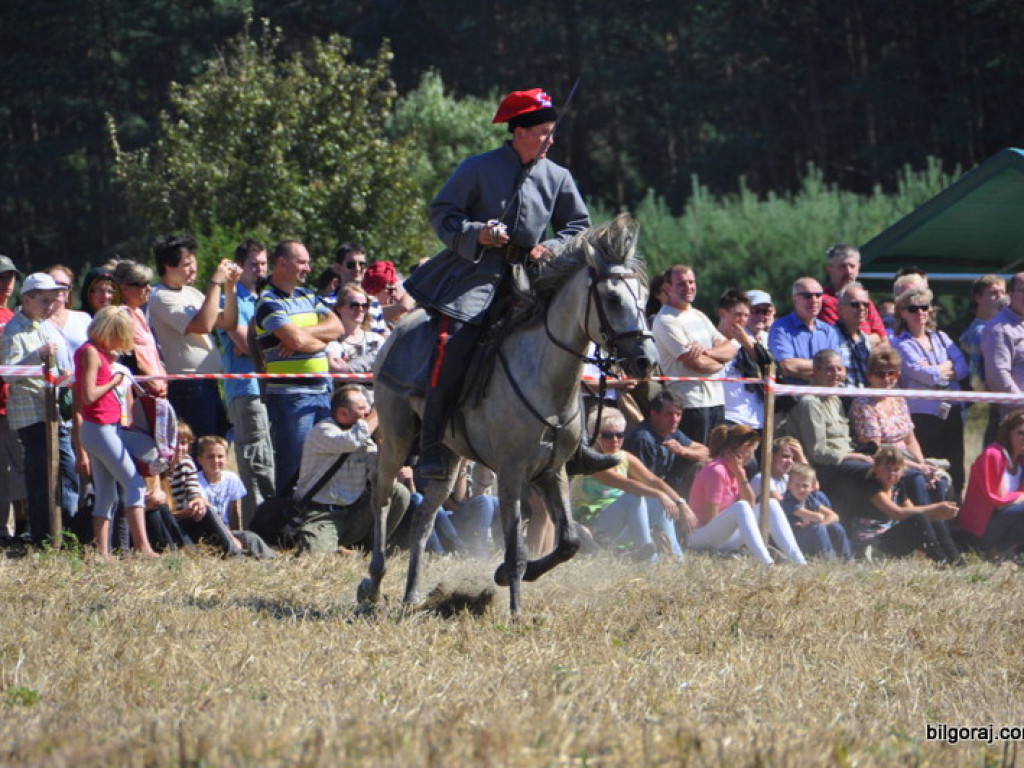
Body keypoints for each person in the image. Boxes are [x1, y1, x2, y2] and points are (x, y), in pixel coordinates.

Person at [404, 86, 595, 480]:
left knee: (569, 339)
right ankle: (431, 445)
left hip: (533, 276)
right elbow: (443, 213)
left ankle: (579, 445)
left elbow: (579, 226)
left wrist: (552, 247)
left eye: (551, 131)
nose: (550, 139)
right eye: (542, 131)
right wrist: (479, 233)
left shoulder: (558, 176)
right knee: (452, 342)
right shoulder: (477, 167)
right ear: (519, 131)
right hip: (475, 275)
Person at [254, 240, 342, 492]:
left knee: (324, 465)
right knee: (294, 469)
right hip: (290, 399)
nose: (309, 269)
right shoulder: (268, 302)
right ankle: (284, 528)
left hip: (322, 393)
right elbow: (297, 340)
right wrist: (316, 341)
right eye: (302, 262)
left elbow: (337, 327)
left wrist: (304, 336)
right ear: (282, 263)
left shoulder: (308, 296)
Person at [1, 272, 79, 547]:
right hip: (30, 413)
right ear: (27, 299)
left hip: (53, 409)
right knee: (38, 475)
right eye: (44, 300)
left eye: (53, 300)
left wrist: (65, 376)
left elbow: (56, 367)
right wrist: (37, 356)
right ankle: (44, 537)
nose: (49, 306)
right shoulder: (12, 331)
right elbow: (8, 374)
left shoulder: (45, 327)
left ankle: (69, 529)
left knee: (67, 470)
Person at [73, 306, 157, 559]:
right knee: (134, 484)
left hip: (102, 429)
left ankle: (103, 553)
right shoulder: (90, 353)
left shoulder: (94, 352)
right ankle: (143, 547)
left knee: (107, 494)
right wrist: (113, 382)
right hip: (99, 428)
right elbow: (87, 396)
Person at [295, 385, 411, 553]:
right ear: (343, 413)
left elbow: (382, 480)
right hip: (322, 515)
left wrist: (381, 442)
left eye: (369, 409)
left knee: (398, 492)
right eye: (363, 409)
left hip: (352, 514)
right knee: (316, 557)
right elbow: (350, 441)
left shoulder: (366, 441)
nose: (367, 414)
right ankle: (335, 547)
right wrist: (379, 410)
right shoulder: (323, 431)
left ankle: (372, 546)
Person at [149, 234, 239, 441]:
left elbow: (229, 322)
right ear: (168, 266)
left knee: (219, 441)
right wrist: (215, 283)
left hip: (208, 382)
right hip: (188, 385)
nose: (193, 268)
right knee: (201, 446)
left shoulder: (192, 293)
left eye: (193, 262)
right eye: (186, 264)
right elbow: (202, 325)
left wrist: (230, 287)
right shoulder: (161, 296)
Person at [572, 408, 694, 561]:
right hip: (594, 529)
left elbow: (653, 481)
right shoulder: (589, 461)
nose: (615, 440)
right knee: (636, 498)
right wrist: (660, 494)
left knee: (658, 501)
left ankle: (675, 558)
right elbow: (626, 484)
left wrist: (680, 502)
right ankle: (648, 556)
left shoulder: (624, 457)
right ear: (594, 436)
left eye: (619, 435)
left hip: (622, 527)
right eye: (608, 436)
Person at [686, 424, 807, 565]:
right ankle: (766, 562)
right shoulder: (717, 471)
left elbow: (751, 506)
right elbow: (709, 519)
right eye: (753, 450)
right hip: (701, 537)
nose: (753, 456)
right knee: (740, 506)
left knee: (770, 503)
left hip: (723, 536)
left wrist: (740, 475)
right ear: (744, 448)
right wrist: (733, 518)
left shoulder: (737, 470)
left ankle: (799, 561)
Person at [216, 239, 275, 522]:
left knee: (269, 457)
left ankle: (269, 522)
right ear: (240, 266)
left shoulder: (265, 298)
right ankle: (257, 526)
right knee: (254, 461)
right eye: (254, 264)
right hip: (247, 389)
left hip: (270, 388)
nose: (260, 270)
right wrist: (280, 344)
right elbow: (243, 343)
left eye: (263, 263)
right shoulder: (230, 300)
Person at [891, 287, 968, 495]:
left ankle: (955, 507)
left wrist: (939, 371)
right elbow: (922, 373)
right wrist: (944, 368)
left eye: (924, 307)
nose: (920, 313)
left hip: (951, 409)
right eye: (913, 309)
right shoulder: (899, 343)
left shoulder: (942, 337)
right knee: (930, 460)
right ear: (903, 313)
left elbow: (962, 367)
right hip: (923, 414)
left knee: (955, 461)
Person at [849, 345, 948, 506]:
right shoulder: (864, 404)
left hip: (908, 460)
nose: (887, 379)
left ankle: (941, 525)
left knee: (938, 480)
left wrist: (922, 464)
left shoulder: (899, 399)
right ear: (870, 376)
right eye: (880, 374)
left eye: (891, 373)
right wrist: (917, 467)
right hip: (886, 462)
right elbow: (876, 450)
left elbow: (910, 439)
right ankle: (924, 527)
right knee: (916, 478)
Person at [782, 349, 874, 519]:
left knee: (906, 473)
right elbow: (818, 452)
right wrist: (853, 456)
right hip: (827, 466)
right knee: (870, 472)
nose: (835, 374)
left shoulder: (835, 398)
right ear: (816, 372)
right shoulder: (810, 403)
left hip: (849, 458)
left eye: (839, 369)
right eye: (829, 369)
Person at [652, 265, 736, 443]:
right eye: (681, 284)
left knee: (716, 458)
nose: (689, 287)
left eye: (691, 282)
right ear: (668, 288)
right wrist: (721, 361)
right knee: (694, 463)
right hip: (690, 405)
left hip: (716, 401)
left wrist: (707, 351)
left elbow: (731, 349)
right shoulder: (666, 320)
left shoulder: (699, 315)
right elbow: (696, 364)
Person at [853, 447, 961, 564]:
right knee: (920, 518)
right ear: (876, 468)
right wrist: (937, 508)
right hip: (873, 543)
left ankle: (955, 560)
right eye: (887, 469)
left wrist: (939, 514)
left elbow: (911, 510)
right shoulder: (871, 486)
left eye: (896, 470)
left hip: (889, 536)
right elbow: (897, 513)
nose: (892, 474)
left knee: (932, 519)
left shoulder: (897, 486)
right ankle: (940, 560)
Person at [960, 410, 1024, 560]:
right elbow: (998, 501)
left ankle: (1008, 552)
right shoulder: (994, 455)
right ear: (1008, 434)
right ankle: (996, 552)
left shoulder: (1021, 460)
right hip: (981, 528)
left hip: (1007, 520)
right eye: (1020, 433)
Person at [623, 389, 710, 499]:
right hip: (647, 494)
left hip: (668, 488)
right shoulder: (643, 439)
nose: (674, 420)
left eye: (678, 414)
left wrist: (683, 451)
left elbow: (707, 453)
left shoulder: (671, 431)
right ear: (654, 413)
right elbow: (645, 480)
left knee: (701, 466)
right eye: (669, 414)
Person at [768, 277, 842, 387]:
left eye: (818, 295)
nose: (814, 300)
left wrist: (803, 371)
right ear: (794, 299)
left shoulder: (829, 331)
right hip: (794, 397)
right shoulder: (780, 328)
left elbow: (841, 370)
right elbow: (787, 366)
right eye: (807, 296)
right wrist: (826, 370)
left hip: (827, 394)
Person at [716, 288, 771, 429]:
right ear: (723, 313)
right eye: (738, 315)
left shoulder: (750, 342)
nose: (742, 321)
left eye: (746, 316)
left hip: (756, 419)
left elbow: (769, 364)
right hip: (728, 418)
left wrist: (746, 343)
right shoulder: (711, 339)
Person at [112, 260, 168, 397]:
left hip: (157, 387)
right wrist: (152, 384)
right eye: (142, 284)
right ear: (124, 288)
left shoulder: (138, 312)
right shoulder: (121, 314)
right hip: (141, 390)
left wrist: (163, 380)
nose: (149, 288)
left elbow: (152, 352)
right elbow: (133, 355)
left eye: (149, 283)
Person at [0, 255, 27, 540]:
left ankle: (24, 524)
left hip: (16, 403)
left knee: (21, 466)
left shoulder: (16, 317)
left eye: (11, 277)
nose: (7, 284)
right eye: (2, 278)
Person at [780, 463, 852, 560]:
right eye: (797, 485)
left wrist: (820, 523)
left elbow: (834, 516)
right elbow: (818, 517)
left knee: (836, 527)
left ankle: (846, 560)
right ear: (789, 485)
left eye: (805, 486)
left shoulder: (809, 499)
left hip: (808, 536)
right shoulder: (787, 501)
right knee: (817, 528)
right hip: (794, 541)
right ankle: (829, 561)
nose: (801, 489)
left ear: (812, 487)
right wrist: (818, 521)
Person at [817, 244, 885, 343]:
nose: (848, 272)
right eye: (842, 267)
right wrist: (871, 340)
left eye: (852, 266)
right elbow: (843, 338)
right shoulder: (823, 301)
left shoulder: (864, 301)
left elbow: (883, 338)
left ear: (859, 268)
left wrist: (864, 340)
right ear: (829, 268)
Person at [981, 271, 1024, 425]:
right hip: (1013, 421)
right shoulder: (998, 329)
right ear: (1011, 294)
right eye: (1023, 290)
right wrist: (1020, 404)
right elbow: (997, 375)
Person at [326, 283, 387, 381]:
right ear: (339, 308)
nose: (360, 309)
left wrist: (350, 369)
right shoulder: (332, 342)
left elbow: (389, 367)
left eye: (364, 306)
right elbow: (336, 369)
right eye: (354, 305)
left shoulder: (377, 339)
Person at [960, 274, 1007, 391]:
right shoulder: (976, 333)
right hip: (985, 403)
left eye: (1003, 293)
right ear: (978, 298)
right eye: (994, 293)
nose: (1000, 298)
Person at [195, 435, 246, 529]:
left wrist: (235, 534)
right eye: (210, 457)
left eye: (220, 456)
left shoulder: (232, 479)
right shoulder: (195, 481)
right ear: (200, 460)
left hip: (225, 527)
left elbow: (232, 512)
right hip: (204, 527)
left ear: (227, 459)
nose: (216, 461)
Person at [831, 282, 874, 390]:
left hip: (863, 400)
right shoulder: (829, 336)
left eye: (865, 304)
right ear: (840, 309)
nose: (862, 308)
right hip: (841, 399)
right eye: (855, 305)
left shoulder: (864, 338)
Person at [44, 265, 92, 356]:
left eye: (64, 285)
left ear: (70, 290)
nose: (58, 289)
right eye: (54, 284)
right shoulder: (35, 323)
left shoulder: (84, 319)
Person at [750, 436, 807, 501]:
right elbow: (782, 504)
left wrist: (801, 457)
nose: (790, 461)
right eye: (785, 456)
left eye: (794, 459)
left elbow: (813, 487)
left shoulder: (788, 479)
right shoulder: (761, 478)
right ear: (772, 456)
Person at [362, 261, 414, 331]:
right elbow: (404, 306)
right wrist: (418, 279)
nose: (394, 293)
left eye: (396, 288)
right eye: (390, 290)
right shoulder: (370, 310)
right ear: (373, 292)